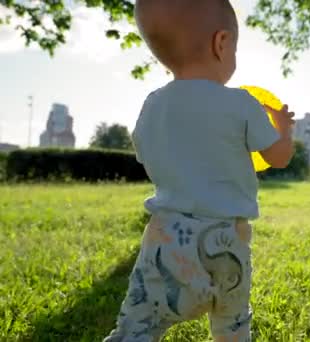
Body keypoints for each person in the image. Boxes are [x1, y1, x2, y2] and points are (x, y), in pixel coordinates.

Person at [104, 1, 295, 341]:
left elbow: (145, 155)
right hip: (228, 242)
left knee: (137, 325)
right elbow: (278, 157)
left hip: (164, 240)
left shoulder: (152, 104)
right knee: (232, 326)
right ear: (221, 43)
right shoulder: (241, 103)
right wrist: (283, 126)